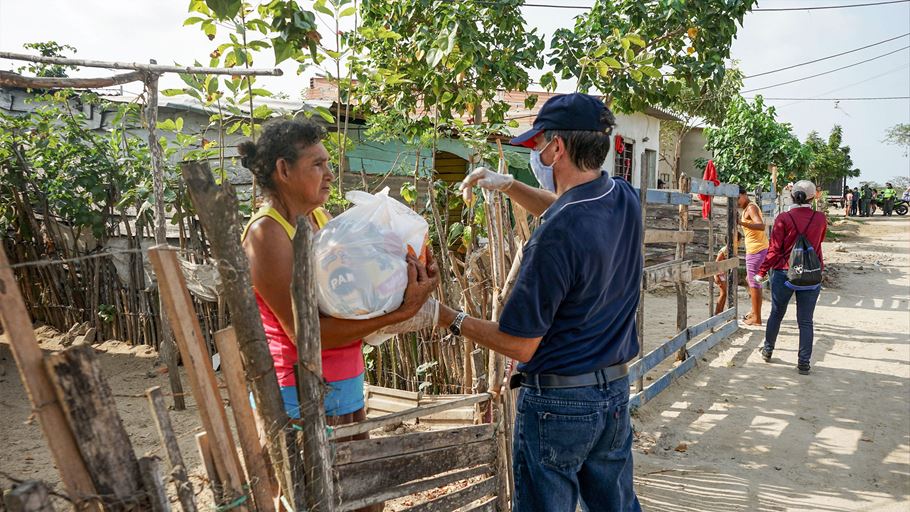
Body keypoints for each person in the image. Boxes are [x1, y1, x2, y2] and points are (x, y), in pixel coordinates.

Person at [448, 93, 641, 511]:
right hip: (612, 395)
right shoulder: (623, 198)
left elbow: (520, 345)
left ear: (558, 148)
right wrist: (511, 186)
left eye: (538, 145)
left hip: (559, 405)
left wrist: (448, 317)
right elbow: (570, 210)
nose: (535, 153)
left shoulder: (554, 236)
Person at [238, 119, 438, 439]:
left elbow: (350, 297)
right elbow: (307, 334)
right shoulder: (267, 234)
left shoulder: (318, 218)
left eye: (327, 163)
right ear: (283, 170)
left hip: (345, 378)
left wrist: (405, 273)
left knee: (350, 482)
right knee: (306, 485)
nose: (330, 174)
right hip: (296, 391)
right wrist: (401, 312)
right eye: (318, 164)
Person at [755, 180, 827, 375]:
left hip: (784, 273)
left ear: (792, 196)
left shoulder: (783, 218)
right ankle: (804, 363)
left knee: (776, 314)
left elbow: (774, 249)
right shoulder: (820, 218)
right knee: (805, 321)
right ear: (813, 197)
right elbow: (819, 243)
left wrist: (761, 272)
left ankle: (768, 350)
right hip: (811, 274)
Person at [737, 186, 768, 325]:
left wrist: (741, 222)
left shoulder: (750, 208)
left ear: (744, 194)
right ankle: (754, 312)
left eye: (737, 198)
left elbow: (760, 225)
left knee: (754, 283)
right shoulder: (747, 208)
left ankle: (756, 318)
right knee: (751, 281)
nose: (736, 201)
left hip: (756, 250)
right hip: (757, 249)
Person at [714, 231, 741, 316]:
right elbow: (716, 263)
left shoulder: (732, 250)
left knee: (724, 294)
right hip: (720, 274)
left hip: (724, 274)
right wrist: (716, 276)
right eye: (739, 240)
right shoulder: (724, 250)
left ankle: (719, 312)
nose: (740, 242)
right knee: (723, 293)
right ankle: (717, 313)